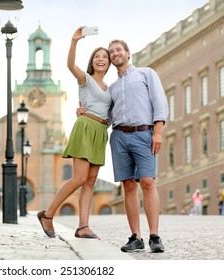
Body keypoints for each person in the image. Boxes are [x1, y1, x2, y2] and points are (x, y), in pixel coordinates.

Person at [79, 39, 168, 252]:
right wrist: (85, 113)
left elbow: (159, 102)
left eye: (118, 50)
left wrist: (157, 132)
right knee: (128, 185)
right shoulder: (111, 88)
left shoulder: (146, 74)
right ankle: (136, 237)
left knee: (147, 181)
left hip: (144, 133)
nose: (115, 54)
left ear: (128, 53)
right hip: (119, 136)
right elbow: (106, 116)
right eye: (111, 52)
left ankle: (154, 236)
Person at [37, 26, 112, 239]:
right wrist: (74, 41)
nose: (101, 59)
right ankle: (48, 214)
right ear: (92, 61)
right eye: (97, 56)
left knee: (90, 181)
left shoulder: (109, 88)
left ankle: (83, 227)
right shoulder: (85, 79)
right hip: (86, 128)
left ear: (109, 63)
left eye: (104, 57)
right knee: (79, 178)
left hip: (100, 131)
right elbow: (70, 65)